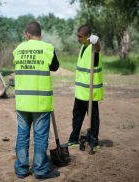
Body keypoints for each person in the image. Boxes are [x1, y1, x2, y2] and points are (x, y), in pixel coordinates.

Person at [13, 22, 60, 180]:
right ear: (39, 34)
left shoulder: (18, 49)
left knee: (22, 135)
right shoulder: (47, 48)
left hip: (23, 102)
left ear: (27, 34)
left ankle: (21, 169)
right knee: (40, 137)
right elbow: (55, 67)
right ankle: (40, 170)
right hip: (40, 102)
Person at [61, 25, 103, 148]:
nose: (78, 38)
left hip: (90, 91)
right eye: (77, 36)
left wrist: (96, 42)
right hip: (80, 91)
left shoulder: (92, 47)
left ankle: (94, 141)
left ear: (88, 36)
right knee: (77, 115)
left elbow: (98, 49)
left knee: (93, 117)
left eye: (80, 36)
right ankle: (73, 139)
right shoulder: (83, 47)